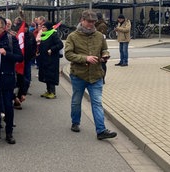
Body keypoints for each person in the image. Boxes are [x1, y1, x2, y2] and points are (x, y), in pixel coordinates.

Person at [64, 10, 116, 140]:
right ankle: (75, 122)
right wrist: (85, 58)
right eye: (88, 21)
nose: (91, 24)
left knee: (97, 102)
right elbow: (68, 54)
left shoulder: (99, 36)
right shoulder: (73, 36)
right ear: (82, 20)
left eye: (93, 22)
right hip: (78, 75)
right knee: (76, 101)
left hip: (96, 75)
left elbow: (104, 49)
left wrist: (105, 55)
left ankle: (101, 130)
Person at [36, 22, 63, 99]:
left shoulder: (53, 35)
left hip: (52, 59)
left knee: (51, 75)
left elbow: (60, 44)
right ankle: (48, 91)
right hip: (44, 58)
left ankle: (52, 92)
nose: (42, 29)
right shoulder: (44, 35)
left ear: (48, 28)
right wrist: (38, 51)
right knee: (46, 75)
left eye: (44, 27)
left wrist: (52, 49)